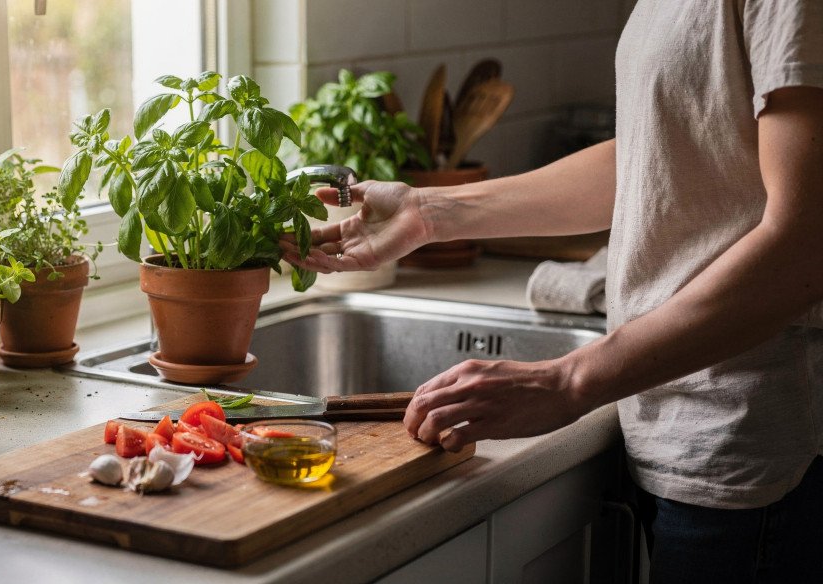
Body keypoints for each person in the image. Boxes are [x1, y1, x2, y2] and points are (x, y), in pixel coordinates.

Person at [281, 1, 822, 582]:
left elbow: (805, 245)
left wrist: (567, 380)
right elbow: (659, 155)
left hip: (750, 454)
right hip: (676, 424)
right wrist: (428, 211)